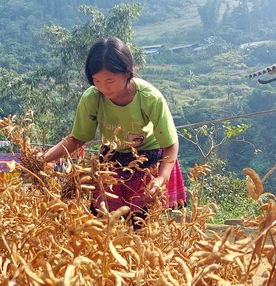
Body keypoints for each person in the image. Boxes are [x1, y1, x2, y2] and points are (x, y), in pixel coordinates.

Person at [41, 37, 186, 228]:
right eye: (97, 80)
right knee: (104, 224)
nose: (104, 87)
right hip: (112, 161)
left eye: (110, 80)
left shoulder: (149, 98)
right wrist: (43, 158)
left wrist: (161, 179)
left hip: (149, 162)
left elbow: (170, 144)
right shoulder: (92, 98)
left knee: (142, 227)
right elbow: (77, 138)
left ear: (127, 72)